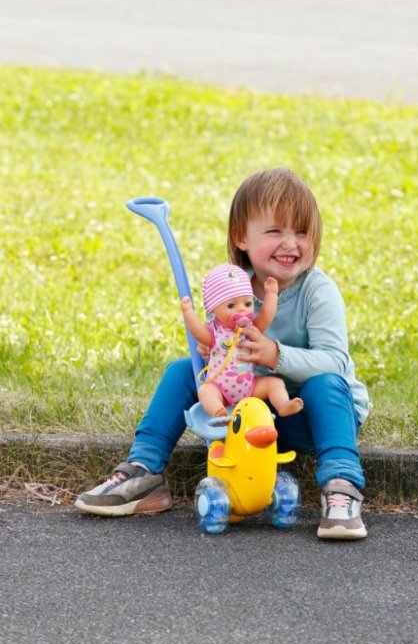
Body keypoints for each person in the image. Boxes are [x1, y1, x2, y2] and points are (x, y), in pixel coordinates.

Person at [75, 168, 369, 539]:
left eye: (302, 232)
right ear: (240, 237)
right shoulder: (233, 288)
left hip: (309, 416)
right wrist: (213, 352)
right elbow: (216, 343)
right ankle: (144, 470)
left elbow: (336, 362)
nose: (291, 243)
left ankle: (341, 486)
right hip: (248, 421)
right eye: (276, 231)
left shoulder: (317, 291)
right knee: (184, 371)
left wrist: (275, 354)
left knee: (325, 384)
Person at [181, 262, 303, 418]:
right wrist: (188, 312)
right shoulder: (215, 332)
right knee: (206, 391)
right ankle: (218, 413)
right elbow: (198, 332)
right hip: (220, 388)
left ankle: (283, 405)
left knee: (275, 383)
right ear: (213, 309)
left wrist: (271, 294)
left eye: (247, 303)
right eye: (231, 305)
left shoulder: (250, 329)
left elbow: (267, 316)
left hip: (250, 387)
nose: (241, 309)